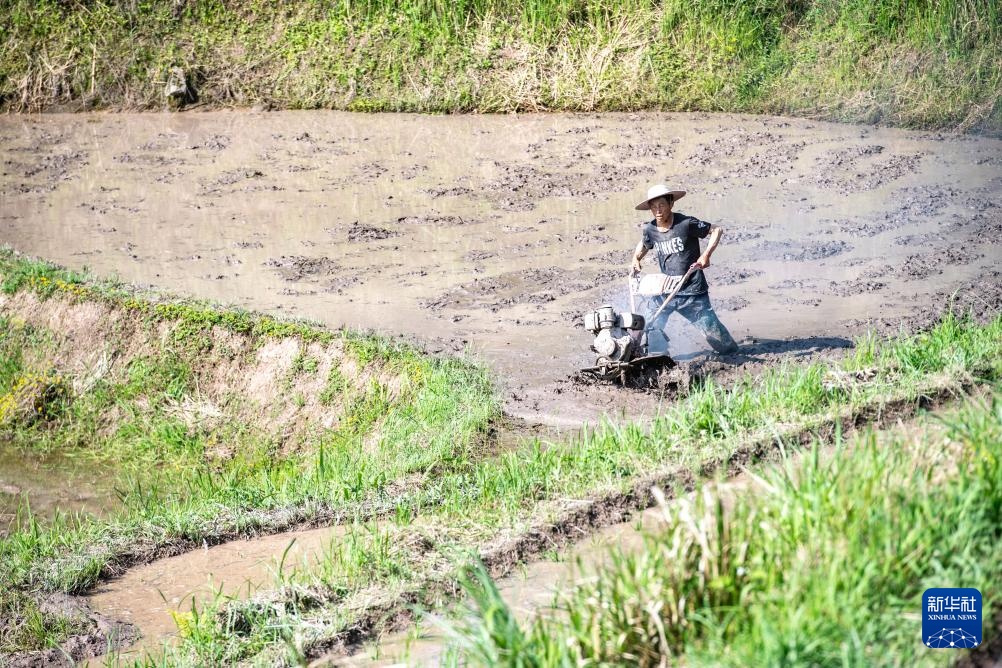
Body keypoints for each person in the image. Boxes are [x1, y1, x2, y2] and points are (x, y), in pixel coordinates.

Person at [630, 184, 739, 355]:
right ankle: (647, 357)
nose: (657, 210)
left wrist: (706, 255)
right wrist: (636, 258)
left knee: (720, 341)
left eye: (661, 205)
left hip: (692, 291)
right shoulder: (650, 229)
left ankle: (736, 356)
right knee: (644, 325)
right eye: (653, 206)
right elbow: (644, 244)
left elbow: (717, 230)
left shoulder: (686, 223)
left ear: (671, 204)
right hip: (666, 291)